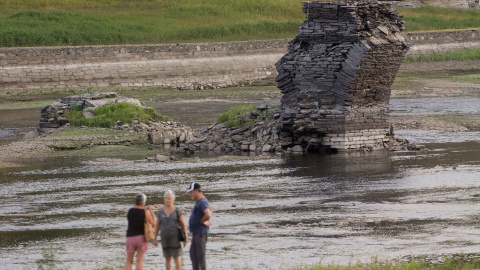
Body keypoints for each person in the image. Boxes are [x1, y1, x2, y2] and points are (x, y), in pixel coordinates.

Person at [153, 190, 188, 270]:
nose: (167, 200)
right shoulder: (160, 212)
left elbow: (182, 224)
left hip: (175, 239)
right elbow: (157, 225)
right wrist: (154, 238)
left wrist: (185, 236)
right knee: (167, 258)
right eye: (166, 198)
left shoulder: (177, 211)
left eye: (169, 198)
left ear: (173, 200)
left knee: (176, 257)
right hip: (165, 239)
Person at [125, 193, 155, 270]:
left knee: (129, 261)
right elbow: (153, 225)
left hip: (130, 237)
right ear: (143, 203)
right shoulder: (145, 212)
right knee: (139, 261)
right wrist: (152, 213)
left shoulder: (129, 211)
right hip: (141, 238)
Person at [187, 182, 212, 270]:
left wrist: (202, 221)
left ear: (196, 191)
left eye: (191, 192)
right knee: (193, 255)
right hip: (196, 233)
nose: (190, 194)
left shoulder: (203, 202)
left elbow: (208, 214)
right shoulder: (198, 202)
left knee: (200, 257)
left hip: (200, 234)